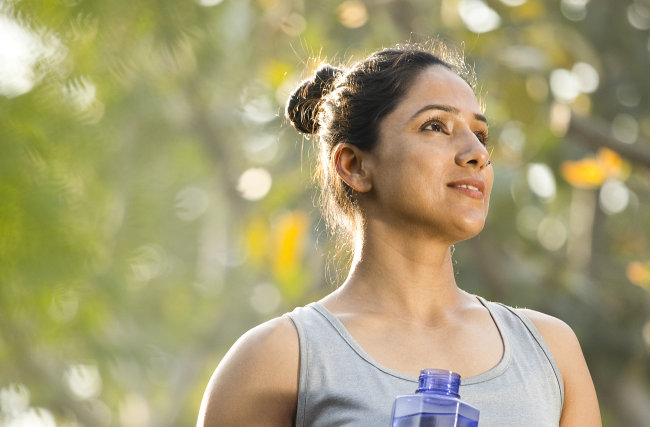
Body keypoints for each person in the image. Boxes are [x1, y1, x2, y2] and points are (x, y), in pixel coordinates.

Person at [197, 44, 601, 426]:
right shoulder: (279, 359)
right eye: (436, 126)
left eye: (480, 134)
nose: (476, 153)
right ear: (354, 165)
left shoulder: (549, 351)